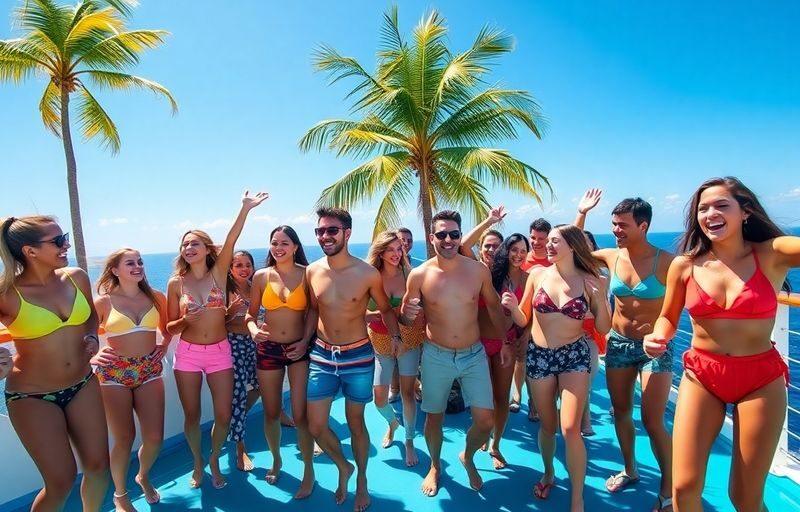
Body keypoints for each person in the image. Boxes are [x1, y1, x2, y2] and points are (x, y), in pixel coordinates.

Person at [644, 177, 799, 512]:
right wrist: (658, 336)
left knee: (744, 497)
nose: (710, 213)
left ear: (746, 212)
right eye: (703, 209)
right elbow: (667, 317)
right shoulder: (685, 265)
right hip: (702, 375)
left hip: (760, 379)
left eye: (721, 205)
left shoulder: (772, 253)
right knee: (683, 488)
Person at [0, 216, 109, 510]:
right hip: (32, 396)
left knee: (99, 467)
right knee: (61, 482)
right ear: (30, 251)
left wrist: (92, 336)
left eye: (65, 237)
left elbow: (90, 316)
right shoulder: (7, 293)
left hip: (83, 383)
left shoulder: (76, 277)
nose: (66, 245)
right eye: (58, 241)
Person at [575, 190, 674, 508]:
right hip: (619, 343)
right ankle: (630, 469)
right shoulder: (612, 256)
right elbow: (576, 250)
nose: (616, 230)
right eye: (614, 224)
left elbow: (688, 299)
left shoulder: (666, 262)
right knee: (620, 412)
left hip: (655, 348)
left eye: (622, 225)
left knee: (652, 420)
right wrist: (582, 213)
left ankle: (669, 490)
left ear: (643, 226)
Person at [401, 210, 510, 496]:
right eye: (442, 234)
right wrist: (405, 314)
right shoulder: (419, 275)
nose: (448, 239)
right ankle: (435, 466)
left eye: (454, 234)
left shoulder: (478, 271)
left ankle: (467, 456)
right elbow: (405, 318)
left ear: (460, 236)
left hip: (473, 354)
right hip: (435, 355)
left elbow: (494, 307)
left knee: (485, 421)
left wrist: (506, 342)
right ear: (431, 237)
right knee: (434, 417)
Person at [166, 191, 267, 489]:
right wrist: (186, 320)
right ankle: (198, 464)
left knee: (223, 415)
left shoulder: (219, 272)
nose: (188, 248)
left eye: (194, 243)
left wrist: (245, 209)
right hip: (188, 354)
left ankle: (213, 458)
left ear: (206, 248)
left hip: (220, 352)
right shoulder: (176, 283)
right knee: (192, 416)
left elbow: (233, 238)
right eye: (184, 244)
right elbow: (170, 327)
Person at [509, 224, 611, 511]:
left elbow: (604, 327)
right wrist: (512, 307)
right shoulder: (537, 275)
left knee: (570, 428)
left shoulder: (593, 280)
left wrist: (600, 300)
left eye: (555, 241)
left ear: (573, 246)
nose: (548, 246)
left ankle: (577, 498)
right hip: (539, 356)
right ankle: (548, 473)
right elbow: (523, 318)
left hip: (574, 356)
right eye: (549, 241)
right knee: (548, 425)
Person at [305, 207, 402, 512]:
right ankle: (343, 466)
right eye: (320, 231)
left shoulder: (367, 273)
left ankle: (361, 480)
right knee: (316, 426)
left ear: (347, 233)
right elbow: (313, 310)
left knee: (356, 423)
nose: (325, 236)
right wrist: (303, 343)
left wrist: (396, 336)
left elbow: (385, 309)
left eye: (331, 230)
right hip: (322, 355)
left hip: (358, 356)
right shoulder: (312, 271)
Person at [93, 248, 170, 510]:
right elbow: (83, 337)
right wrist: (93, 355)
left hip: (149, 369)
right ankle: (120, 495)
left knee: (155, 437)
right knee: (124, 438)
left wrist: (164, 345)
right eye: (130, 263)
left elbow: (167, 329)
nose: (137, 266)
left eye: (140, 261)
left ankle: (143, 476)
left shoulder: (156, 297)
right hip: (114, 373)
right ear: (115, 270)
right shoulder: (103, 302)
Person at [246, 225, 316, 498]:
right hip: (268, 349)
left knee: (300, 414)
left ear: (295, 246)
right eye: (274, 242)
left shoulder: (308, 274)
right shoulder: (261, 276)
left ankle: (308, 471)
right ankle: (276, 461)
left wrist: (305, 341)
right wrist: (253, 330)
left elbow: (313, 312)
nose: (278, 247)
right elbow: (251, 315)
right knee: (272, 412)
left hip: (298, 349)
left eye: (284, 243)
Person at [366, 230, 425, 467]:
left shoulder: (409, 275)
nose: (396, 253)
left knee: (408, 393)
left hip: (408, 338)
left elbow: (420, 309)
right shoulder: (369, 276)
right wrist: (376, 314)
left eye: (399, 249)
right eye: (390, 249)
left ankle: (409, 440)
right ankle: (392, 423)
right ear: (380, 252)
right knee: (379, 397)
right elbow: (357, 310)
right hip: (380, 340)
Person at [511, 217, 552, 421]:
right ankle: (517, 395)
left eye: (541, 239)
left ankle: (534, 403)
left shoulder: (554, 261)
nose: (536, 242)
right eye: (533, 238)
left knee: (538, 364)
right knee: (520, 359)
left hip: (544, 323)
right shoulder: (522, 259)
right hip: (520, 316)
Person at [225, 250, 261, 472]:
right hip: (233, 344)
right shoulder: (225, 289)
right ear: (230, 269)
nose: (244, 268)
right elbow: (217, 322)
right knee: (238, 394)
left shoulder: (256, 287)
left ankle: (233, 419)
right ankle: (240, 449)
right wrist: (230, 312)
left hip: (254, 344)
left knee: (260, 386)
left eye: (248, 264)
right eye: (238, 265)